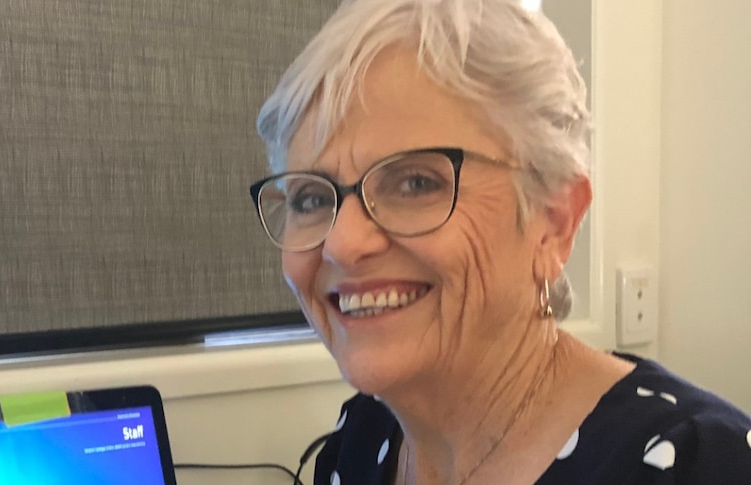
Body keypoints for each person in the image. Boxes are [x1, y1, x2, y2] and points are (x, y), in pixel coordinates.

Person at [249, 0, 751, 483]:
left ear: (554, 223)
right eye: (311, 199)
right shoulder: (361, 438)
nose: (343, 243)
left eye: (416, 183)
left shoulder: (700, 466)